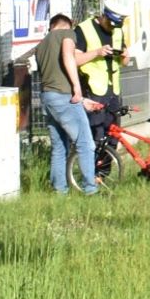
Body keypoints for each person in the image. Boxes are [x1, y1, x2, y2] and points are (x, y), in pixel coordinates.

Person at [37, 14, 97, 195]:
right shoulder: (67, 34)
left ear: (51, 27)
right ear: (67, 25)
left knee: (59, 147)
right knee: (85, 144)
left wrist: (82, 100)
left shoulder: (41, 45)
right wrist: (77, 90)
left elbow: (54, 76)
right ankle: (90, 189)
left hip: (48, 98)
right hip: (64, 97)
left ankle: (59, 191)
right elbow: (67, 56)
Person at [75, 1, 131, 148]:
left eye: (116, 26)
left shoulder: (118, 31)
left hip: (114, 91)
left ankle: (105, 171)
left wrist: (125, 55)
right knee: (96, 135)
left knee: (113, 135)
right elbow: (74, 60)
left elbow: (124, 62)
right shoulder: (83, 29)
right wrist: (97, 52)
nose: (112, 28)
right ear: (104, 16)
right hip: (94, 91)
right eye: (110, 24)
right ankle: (92, 170)